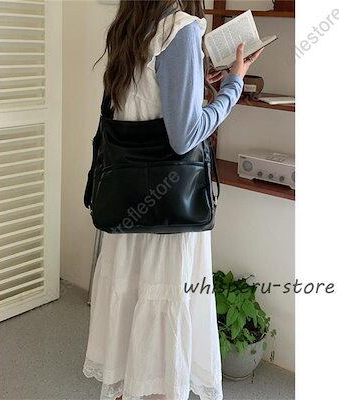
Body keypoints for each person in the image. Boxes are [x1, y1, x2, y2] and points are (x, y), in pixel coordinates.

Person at [83, 1, 263, 399]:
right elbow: (185, 137)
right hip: (169, 214)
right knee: (164, 330)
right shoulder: (180, 30)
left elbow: (142, 102)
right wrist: (233, 85)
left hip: (127, 207)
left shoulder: (128, 27)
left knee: (131, 315)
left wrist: (195, 79)